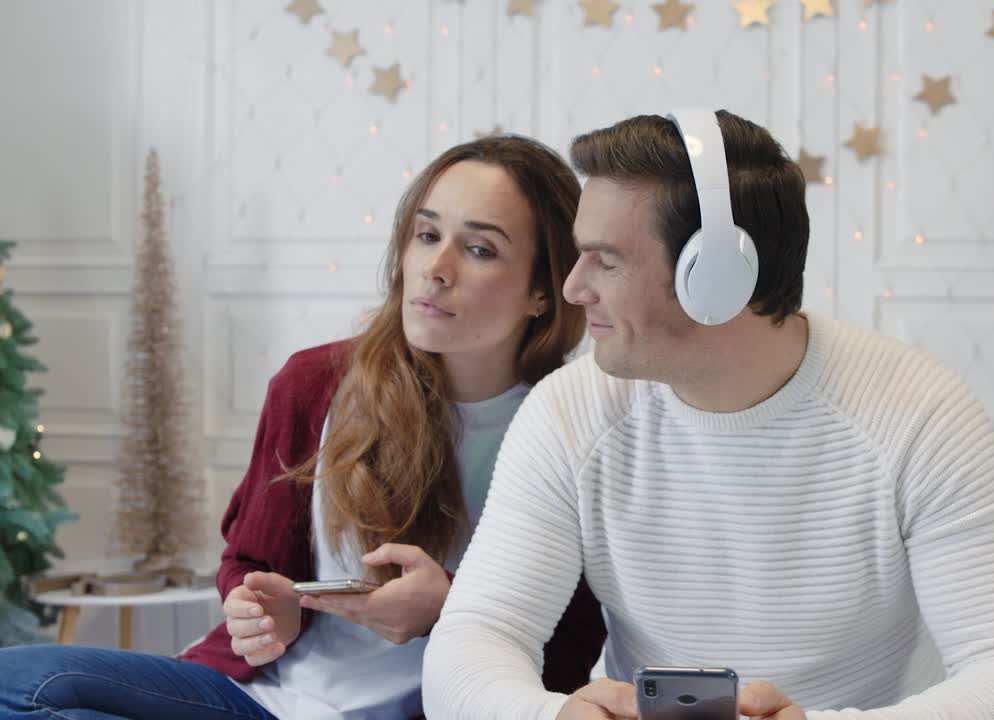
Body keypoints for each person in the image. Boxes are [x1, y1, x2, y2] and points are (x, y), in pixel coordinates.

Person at [421, 110, 994, 720]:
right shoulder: (569, 413)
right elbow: (475, 636)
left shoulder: (922, 415)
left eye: (607, 260)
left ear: (716, 278)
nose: (572, 287)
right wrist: (551, 713)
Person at [0, 135, 605, 719]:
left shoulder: (571, 424)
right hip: (260, 699)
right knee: (21, 684)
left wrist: (451, 610)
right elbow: (249, 561)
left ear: (543, 293)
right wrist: (263, 610)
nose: (435, 269)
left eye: (480, 250)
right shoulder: (317, 384)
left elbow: (573, 652)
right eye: (426, 235)